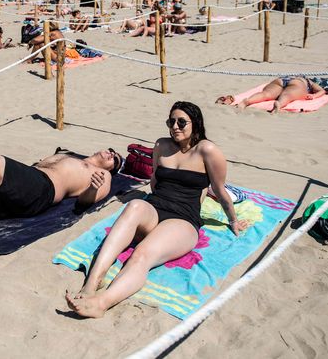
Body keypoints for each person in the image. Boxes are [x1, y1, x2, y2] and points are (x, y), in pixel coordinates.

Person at [65, 101, 249, 318]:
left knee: (142, 253)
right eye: (171, 122)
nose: (176, 127)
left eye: (182, 122)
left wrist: (233, 220)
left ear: (196, 124)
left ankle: (101, 303)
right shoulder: (161, 145)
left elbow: (219, 190)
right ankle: (91, 283)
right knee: (134, 205)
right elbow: (154, 181)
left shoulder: (207, 150)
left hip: (182, 219)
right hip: (155, 207)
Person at [230, 75, 325, 113]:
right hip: (298, 83)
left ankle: (247, 101)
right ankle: (278, 104)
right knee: (287, 95)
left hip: (281, 79)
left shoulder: (298, 76)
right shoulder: (310, 82)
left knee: (266, 94)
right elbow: (322, 91)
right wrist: (314, 95)